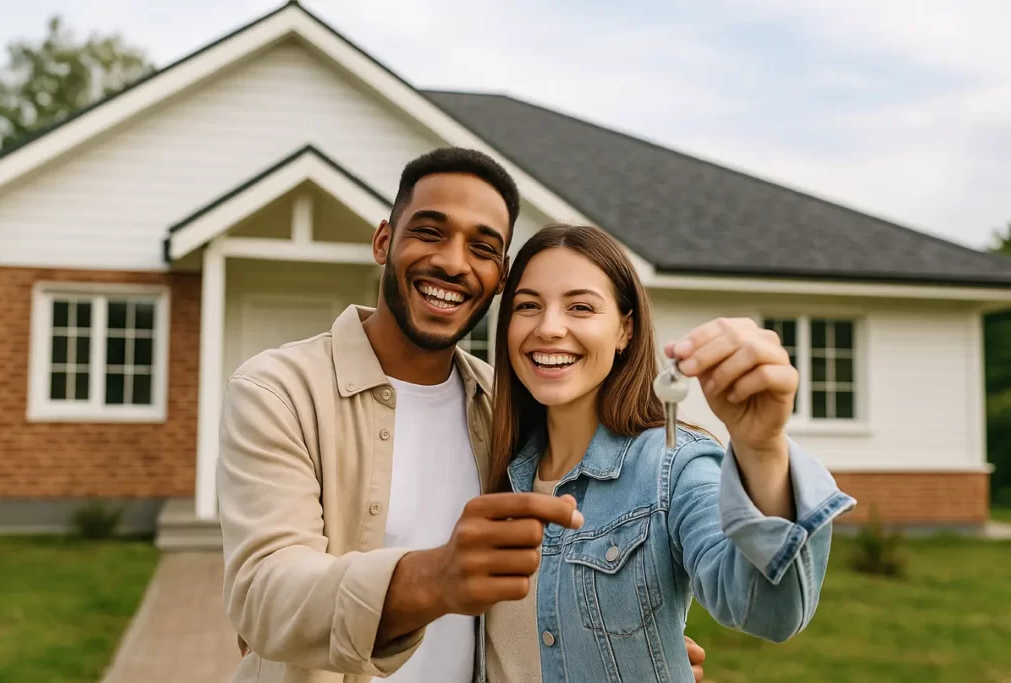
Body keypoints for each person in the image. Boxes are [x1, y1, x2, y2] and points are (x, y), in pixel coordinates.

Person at [217, 147, 708, 683]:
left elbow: (558, 577)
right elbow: (263, 592)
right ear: (384, 241)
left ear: (499, 277)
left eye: (482, 247)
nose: (453, 262)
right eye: (430, 232)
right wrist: (434, 579)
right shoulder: (279, 391)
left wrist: (625, 643)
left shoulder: (507, 405)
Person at [482, 223, 857, 682]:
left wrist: (762, 449)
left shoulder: (674, 465)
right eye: (528, 306)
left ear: (625, 330)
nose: (549, 327)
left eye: (580, 306)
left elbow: (769, 611)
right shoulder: (489, 463)